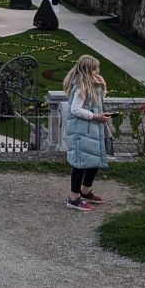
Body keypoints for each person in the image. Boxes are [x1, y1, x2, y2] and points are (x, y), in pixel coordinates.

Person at [63, 55, 112, 211]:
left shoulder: (91, 84)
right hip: (81, 130)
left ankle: (86, 190)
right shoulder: (80, 87)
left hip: (91, 129)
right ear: (87, 70)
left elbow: (97, 102)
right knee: (80, 163)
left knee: (93, 159)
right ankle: (73, 198)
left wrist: (103, 88)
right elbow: (75, 110)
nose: (98, 71)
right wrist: (96, 116)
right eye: (95, 69)